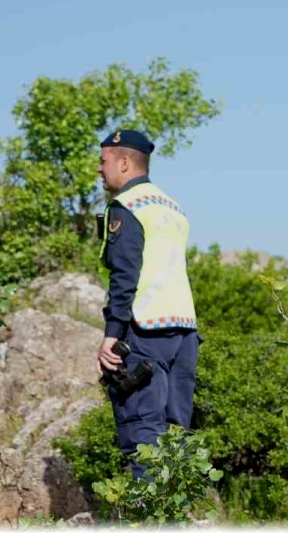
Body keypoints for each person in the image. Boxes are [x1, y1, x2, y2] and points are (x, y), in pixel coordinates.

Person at [95, 128, 201, 479]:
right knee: (175, 436)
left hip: (145, 333)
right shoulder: (173, 207)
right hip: (185, 335)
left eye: (104, 160)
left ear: (124, 162)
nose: (99, 168)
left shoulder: (126, 207)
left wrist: (112, 333)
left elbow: (125, 276)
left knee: (143, 433)